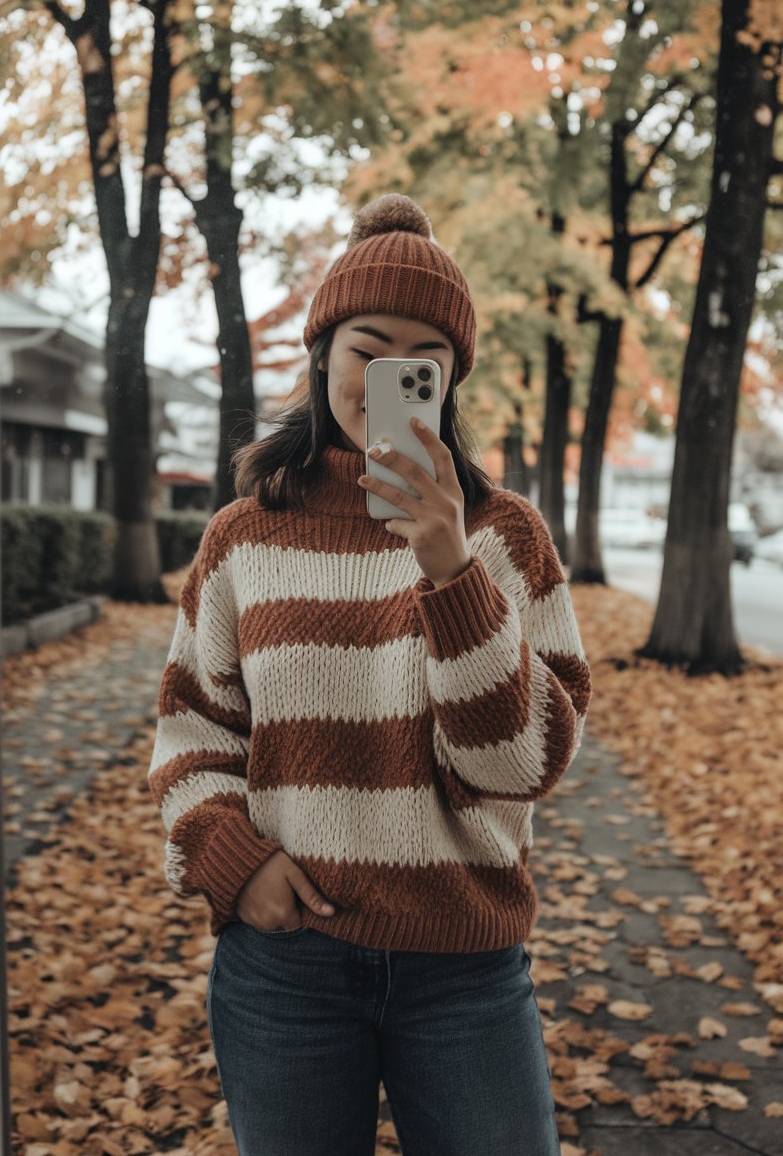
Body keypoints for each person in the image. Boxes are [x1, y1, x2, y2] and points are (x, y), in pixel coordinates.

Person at [148, 193, 592, 1156]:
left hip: (466, 970)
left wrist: (451, 569)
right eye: (370, 347)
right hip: (287, 968)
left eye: (424, 358)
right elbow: (193, 731)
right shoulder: (244, 535)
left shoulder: (505, 538)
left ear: (450, 378)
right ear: (324, 355)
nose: (393, 374)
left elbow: (522, 766)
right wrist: (231, 863)